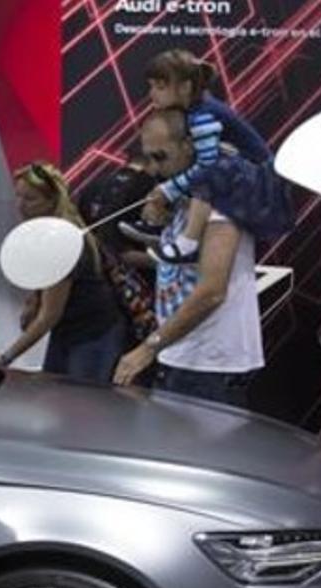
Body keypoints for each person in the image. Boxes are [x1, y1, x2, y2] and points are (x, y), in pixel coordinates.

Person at [113, 110, 264, 407]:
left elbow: (211, 291)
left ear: (189, 146)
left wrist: (149, 346)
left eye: (161, 157)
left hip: (209, 365)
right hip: (184, 356)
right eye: (149, 158)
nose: (154, 169)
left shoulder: (222, 197)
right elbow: (182, 266)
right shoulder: (187, 199)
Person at [126, 49, 288, 264]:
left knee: (207, 174)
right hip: (248, 178)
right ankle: (165, 226)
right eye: (151, 86)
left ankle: (188, 243)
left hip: (261, 187)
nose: (152, 94)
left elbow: (207, 167)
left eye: (159, 87)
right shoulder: (196, 109)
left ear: (185, 87)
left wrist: (169, 189)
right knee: (186, 167)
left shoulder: (203, 115)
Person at [0, 162, 126, 383]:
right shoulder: (46, 231)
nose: (20, 206)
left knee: (82, 406)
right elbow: (46, 280)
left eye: (30, 199)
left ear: (51, 200)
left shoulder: (61, 241)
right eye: (18, 197)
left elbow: (49, 316)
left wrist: (5, 358)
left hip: (92, 335)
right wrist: (34, 299)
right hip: (69, 331)